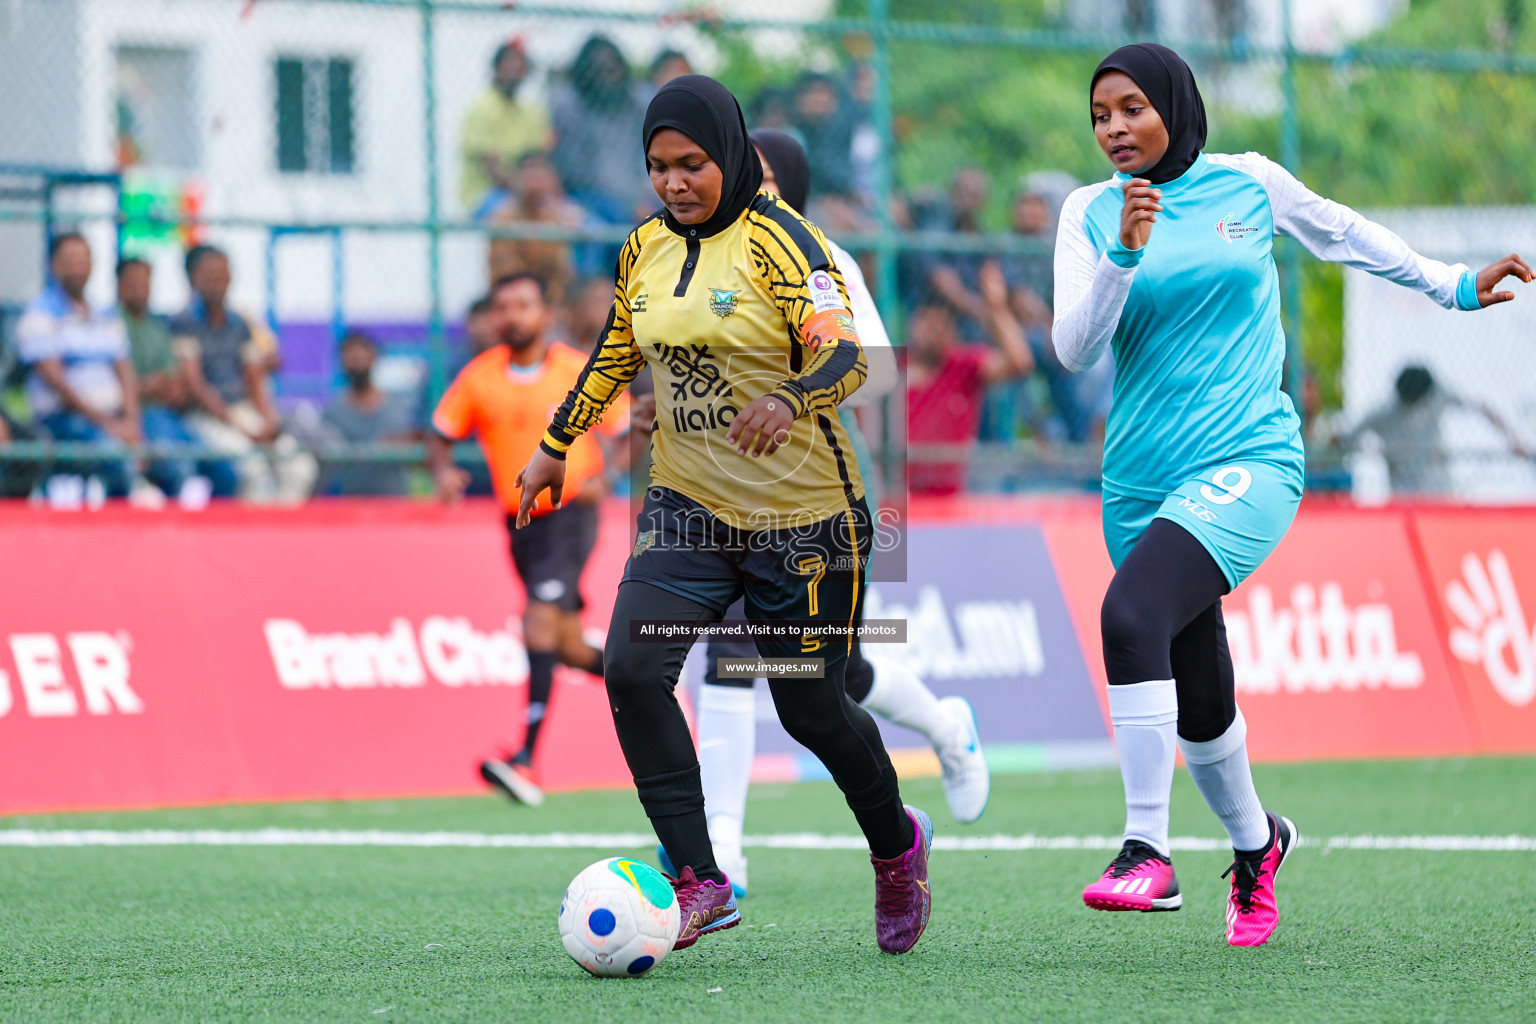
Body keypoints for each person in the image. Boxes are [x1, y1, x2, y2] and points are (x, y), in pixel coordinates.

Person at [1055, 43, 1531, 946]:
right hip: (1140, 480)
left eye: (1131, 108)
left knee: (1129, 615)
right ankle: (1257, 843)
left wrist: (1457, 286)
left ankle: (1143, 851)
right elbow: (1074, 349)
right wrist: (1123, 252)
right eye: (1100, 116)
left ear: (1175, 105)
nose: (1115, 128)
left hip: (1250, 458)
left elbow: (1349, 235)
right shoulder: (1089, 212)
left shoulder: (1250, 185)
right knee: (1198, 687)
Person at [515, 75, 934, 956]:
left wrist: (792, 394)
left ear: (731, 156)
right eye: (659, 167)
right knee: (633, 669)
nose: (673, 183)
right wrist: (558, 444)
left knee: (811, 712)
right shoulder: (641, 250)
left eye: (692, 165)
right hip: (688, 509)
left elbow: (850, 358)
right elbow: (615, 351)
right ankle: (703, 879)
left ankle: (897, 847)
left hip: (805, 520)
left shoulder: (790, 243)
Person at [662, 128, 987, 898]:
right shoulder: (700, 264)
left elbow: (874, 372)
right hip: (725, 490)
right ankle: (724, 852)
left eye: (770, 176)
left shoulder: (818, 259)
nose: (754, 185)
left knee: (833, 676)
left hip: (822, 491)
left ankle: (945, 727)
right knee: (732, 653)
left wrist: (789, 382)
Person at [428, 271, 629, 807]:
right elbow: (442, 432)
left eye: (523, 304)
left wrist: (608, 476)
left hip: (569, 515)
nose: (512, 315)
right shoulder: (480, 377)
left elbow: (629, 428)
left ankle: (526, 761)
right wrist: (443, 471)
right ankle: (642, 679)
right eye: (503, 307)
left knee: (536, 621)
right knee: (560, 641)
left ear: (545, 313)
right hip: (518, 527)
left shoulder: (573, 369)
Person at [170, 245, 318, 504]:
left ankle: (283, 535)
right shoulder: (184, 322)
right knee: (251, 468)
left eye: (224, 275)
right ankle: (247, 540)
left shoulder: (239, 323)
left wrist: (268, 421)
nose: (219, 283)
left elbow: (254, 376)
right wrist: (241, 428)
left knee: (299, 467)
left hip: (245, 412)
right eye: (211, 276)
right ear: (194, 279)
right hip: (207, 418)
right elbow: (196, 386)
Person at [17, 233, 139, 497]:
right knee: (116, 459)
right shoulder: (39, 315)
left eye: (83, 260)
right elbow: (60, 385)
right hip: (64, 421)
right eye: (69, 260)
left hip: (113, 418)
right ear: (53, 265)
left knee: (173, 457)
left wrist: (131, 422)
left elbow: (125, 373)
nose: (77, 268)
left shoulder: (105, 315)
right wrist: (110, 425)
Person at [117, 257, 237, 499]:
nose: (140, 289)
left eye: (145, 283)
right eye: (133, 283)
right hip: (140, 417)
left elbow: (176, 382)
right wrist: (149, 386)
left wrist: (165, 386)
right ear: (119, 285)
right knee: (179, 469)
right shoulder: (113, 326)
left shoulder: (157, 326)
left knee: (226, 472)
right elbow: (122, 388)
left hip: (169, 416)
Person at [906, 275, 1034, 495]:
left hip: (948, 499)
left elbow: (1020, 362)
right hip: (899, 498)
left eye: (941, 325)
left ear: (952, 334)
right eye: (927, 322)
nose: (932, 332)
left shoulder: (961, 366)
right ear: (913, 325)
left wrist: (997, 308)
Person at [1343, 364, 1530, 497]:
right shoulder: (1384, 412)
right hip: (1404, 495)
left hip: (1439, 490)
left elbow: (1482, 408)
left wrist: (1513, 440)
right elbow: (1348, 439)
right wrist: (1378, 452)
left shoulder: (1436, 394)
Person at [549, 36, 653, 226]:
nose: (608, 76)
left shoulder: (640, 100)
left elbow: (647, 158)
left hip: (638, 191)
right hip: (585, 193)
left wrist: (642, 195)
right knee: (607, 218)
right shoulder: (568, 104)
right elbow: (574, 170)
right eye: (599, 70)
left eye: (612, 68)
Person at [459, 38, 553, 221]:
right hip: (488, 194)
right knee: (517, 220)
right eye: (509, 65)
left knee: (581, 222)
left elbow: (539, 159)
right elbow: (492, 169)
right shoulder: (482, 108)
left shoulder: (532, 112)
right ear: (496, 68)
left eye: (520, 66)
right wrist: (525, 190)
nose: (514, 72)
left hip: (531, 192)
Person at [318, 331, 420, 496]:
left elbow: (419, 449)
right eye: (350, 360)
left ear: (374, 359)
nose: (355, 365)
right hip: (349, 505)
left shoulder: (399, 409)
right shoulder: (333, 414)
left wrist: (400, 442)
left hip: (393, 505)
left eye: (360, 359)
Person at [487, 152, 589, 303]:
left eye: (540, 180)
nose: (534, 187)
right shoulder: (502, 219)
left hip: (554, 298)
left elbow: (560, 270)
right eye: (529, 180)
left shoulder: (565, 217)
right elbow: (504, 269)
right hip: (516, 295)